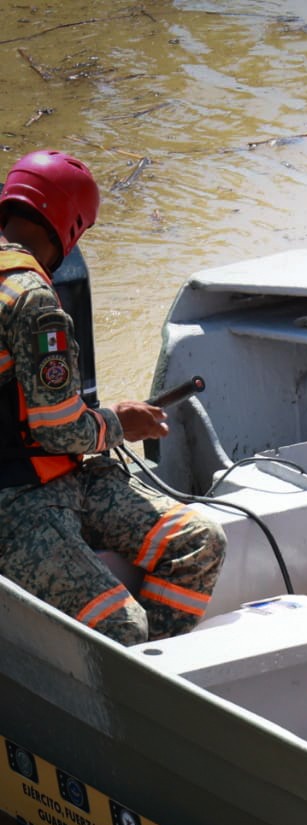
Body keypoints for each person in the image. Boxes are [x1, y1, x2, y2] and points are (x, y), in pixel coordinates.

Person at [0, 149, 224, 645]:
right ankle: (132, 701)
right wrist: (121, 422)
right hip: (18, 501)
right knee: (121, 625)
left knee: (197, 541)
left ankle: (158, 667)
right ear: (70, 227)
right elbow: (59, 431)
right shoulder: (33, 301)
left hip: (53, 476)